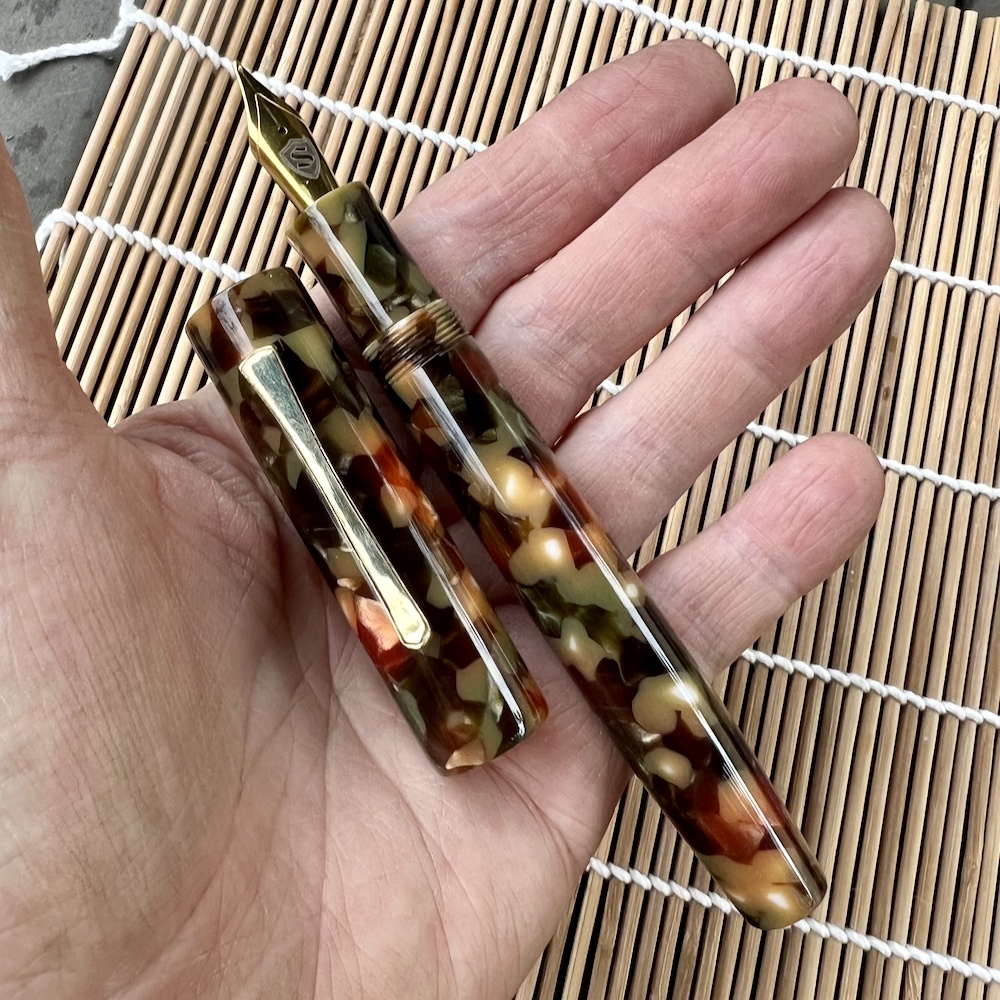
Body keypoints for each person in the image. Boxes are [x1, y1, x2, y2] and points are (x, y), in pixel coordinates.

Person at [0, 39, 892, 1000]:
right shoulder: (275, 353)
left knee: (581, 589)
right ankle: (766, 870)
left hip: (433, 430)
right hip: (426, 549)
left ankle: (764, 866)